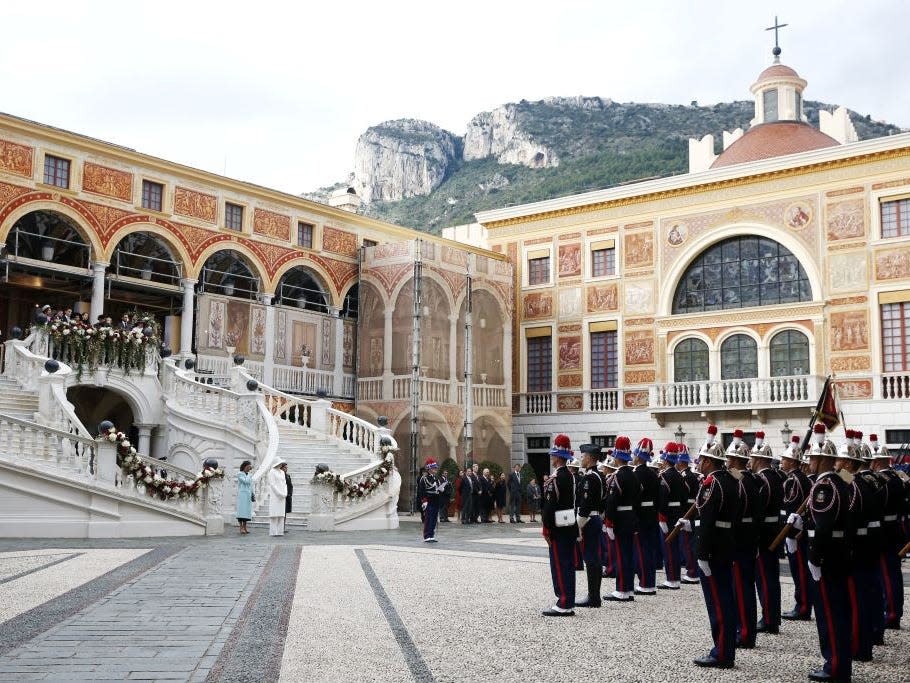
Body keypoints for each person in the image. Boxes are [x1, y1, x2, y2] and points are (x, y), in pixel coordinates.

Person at [799, 424, 853, 683]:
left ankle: (835, 666)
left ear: (822, 460)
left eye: (812, 458)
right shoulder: (839, 483)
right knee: (838, 610)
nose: (809, 463)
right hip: (838, 554)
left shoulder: (824, 487)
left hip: (827, 557)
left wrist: (815, 559)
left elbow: (823, 528)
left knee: (830, 613)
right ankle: (839, 663)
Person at [682, 436, 740, 669]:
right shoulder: (731, 480)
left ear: (708, 461)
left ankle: (722, 652)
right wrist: (691, 525)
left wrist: (702, 553)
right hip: (726, 544)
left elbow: (707, 521)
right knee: (726, 597)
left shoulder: (711, 483)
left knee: (718, 601)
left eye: (702, 459)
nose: (699, 463)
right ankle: (725, 649)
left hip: (713, 548)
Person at [837, 438, 883, 662]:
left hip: (858, 548)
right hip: (868, 546)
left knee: (856, 601)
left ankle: (859, 647)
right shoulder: (865, 482)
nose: (835, 463)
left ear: (847, 463)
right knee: (864, 596)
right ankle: (864, 643)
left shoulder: (853, 485)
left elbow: (850, 520)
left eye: (839, 460)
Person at [726, 429, 761, 648]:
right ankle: (745, 629)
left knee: (742, 589)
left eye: (729, 459)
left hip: (740, 539)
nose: (727, 463)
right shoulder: (751, 480)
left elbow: (735, 514)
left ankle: (745, 633)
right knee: (745, 586)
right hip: (750, 537)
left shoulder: (740, 482)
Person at [869, 433, 905, 630]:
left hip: (884, 532)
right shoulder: (897, 478)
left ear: (878, 462)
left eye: (874, 462)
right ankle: (893, 611)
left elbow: (876, 505)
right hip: (895, 530)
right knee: (892, 574)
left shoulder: (882, 480)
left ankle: (891, 613)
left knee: (887, 574)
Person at [749, 431, 784, 636]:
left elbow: (758, 509)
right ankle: (772, 616)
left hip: (764, 533)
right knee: (770, 576)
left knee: (765, 577)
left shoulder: (763, 480)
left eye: (753, 458)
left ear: (760, 459)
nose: (750, 462)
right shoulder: (775, 476)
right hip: (773, 530)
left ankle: (770, 618)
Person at [541, 434, 577, 616]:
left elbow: (549, 507)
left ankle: (563, 602)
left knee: (559, 564)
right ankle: (569, 599)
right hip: (569, 522)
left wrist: (546, 528)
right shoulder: (570, 476)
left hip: (557, 525)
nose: (551, 458)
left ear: (557, 457)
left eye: (553, 455)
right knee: (568, 563)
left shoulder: (555, 479)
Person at [603, 435, 640, 602]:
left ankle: (622, 589)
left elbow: (612, 501)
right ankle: (629, 588)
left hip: (620, 518)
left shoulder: (617, 476)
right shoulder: (634, 474)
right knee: (629, 554)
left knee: (621, 554)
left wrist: (609, 522)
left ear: (617, 457)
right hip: (631, 517)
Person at [780, 435, 812, 620]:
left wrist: (791, 534)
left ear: (792, 461)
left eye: (784, 459)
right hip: (800, 530)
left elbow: (790, 507)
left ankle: (803, 607)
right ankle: (803, 604)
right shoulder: (800, 478)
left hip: (796, 533)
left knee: (799, 572)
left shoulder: (794, 480)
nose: (782, 461)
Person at [575, 443, 605, 608]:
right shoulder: (599, 476)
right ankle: (594, 595)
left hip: (588, 521)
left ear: (589, 458)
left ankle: (593, 597)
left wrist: (577, 525)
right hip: (595, 519)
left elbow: (585, 505)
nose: (581, 459)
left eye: (583, 456)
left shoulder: (590, 478)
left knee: (591, 559)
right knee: (594, 558)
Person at [657, 441, 687, 590]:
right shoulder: (680, 476)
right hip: (678, 513)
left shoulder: (665, 476)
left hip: (667, 515)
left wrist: (662, 517)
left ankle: (672, 579)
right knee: (675, 547)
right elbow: (684, 497)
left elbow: (663, 498)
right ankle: (676, 577)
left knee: (668, 546)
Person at [632, 437, 659, 596]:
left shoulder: (636, 474)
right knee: (649, 549)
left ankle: (645, 583)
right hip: (651, 514)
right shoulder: (653, 474)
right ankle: (650, 581)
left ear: (638, 457)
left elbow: (634, 497)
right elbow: (658, 497)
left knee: (641, 550)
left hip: (640, 515)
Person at [676, 442, 701, 584]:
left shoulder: (685, 477)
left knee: (688, 544)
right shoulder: (690, 475)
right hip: (690, 510)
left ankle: (692, 572)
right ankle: (692, 570)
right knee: (689, 544)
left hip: (687, 512)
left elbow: (684, 497)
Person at [417, 458, 441, 542]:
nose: (435, 469)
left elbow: (437, 488)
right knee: (428, 519)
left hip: (435, 501)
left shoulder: (436, 478)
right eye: (434, 468)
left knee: (434, 519)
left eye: (435, 468)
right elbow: (422, 491)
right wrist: (424, 501)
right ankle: (427, 535)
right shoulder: (424, 478)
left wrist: (441, 489)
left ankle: (431, 535)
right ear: (429, 468)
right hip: (429, 501)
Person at [267, 459, 288, 536]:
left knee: (281, 515)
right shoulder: (272, 472)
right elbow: (272, 484)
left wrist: (285, 493)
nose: (281, 464)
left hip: (283, 495)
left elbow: (284, 483)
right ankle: (273, 532)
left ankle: (280, 531)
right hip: (275, 495)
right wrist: (279, 493)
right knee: (274, 514)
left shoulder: (282, 472)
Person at [235, 460, 254, 535]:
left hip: (248, 495)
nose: (249, 468)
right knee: (241, 511)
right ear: (245, 466)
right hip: (242, 495)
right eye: (248, 466)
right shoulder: (240, 474)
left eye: (250, 467)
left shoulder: (249, 474)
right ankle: (241, 527)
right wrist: (250, 476)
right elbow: (246, 481)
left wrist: (252, 493)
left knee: (246, 512)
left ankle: (245, 527)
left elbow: (251, 485)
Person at [282, 462, 293, 533]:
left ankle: (283, 527)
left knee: (285, 512)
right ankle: (281, 527)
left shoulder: (288, 475)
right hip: (282, 495)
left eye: (286, 467)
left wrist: (290, 493)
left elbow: (290, 485)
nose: (286, 469)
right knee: (282, 512)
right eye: (285, 467)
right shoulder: (280, 475)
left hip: (288, 496)